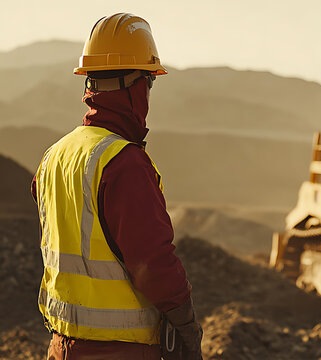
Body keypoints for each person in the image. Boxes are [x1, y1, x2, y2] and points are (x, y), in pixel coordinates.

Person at [31, 13, 203, 360]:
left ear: (89, 83)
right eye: (149, 83)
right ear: (136, 86)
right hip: (118, 351)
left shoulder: (55, 156)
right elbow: (152, 263)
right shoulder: (123, 163)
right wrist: (186, 324)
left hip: (60, 347)